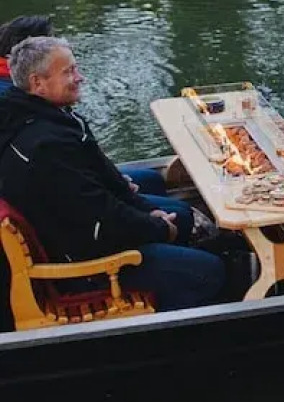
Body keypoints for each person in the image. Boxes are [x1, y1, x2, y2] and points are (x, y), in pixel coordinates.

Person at [0, 37, 225, 311]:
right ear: (37, 83)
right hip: (85, 265)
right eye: (68, 72)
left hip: (84, 233)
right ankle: (167, 336)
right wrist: (157, 227)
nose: (80, 77)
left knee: (182, 214)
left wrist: (147, 213)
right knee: (209, 272)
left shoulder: (48, 118)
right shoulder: (46, 148)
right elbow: (100, 218)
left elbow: (102, 181)